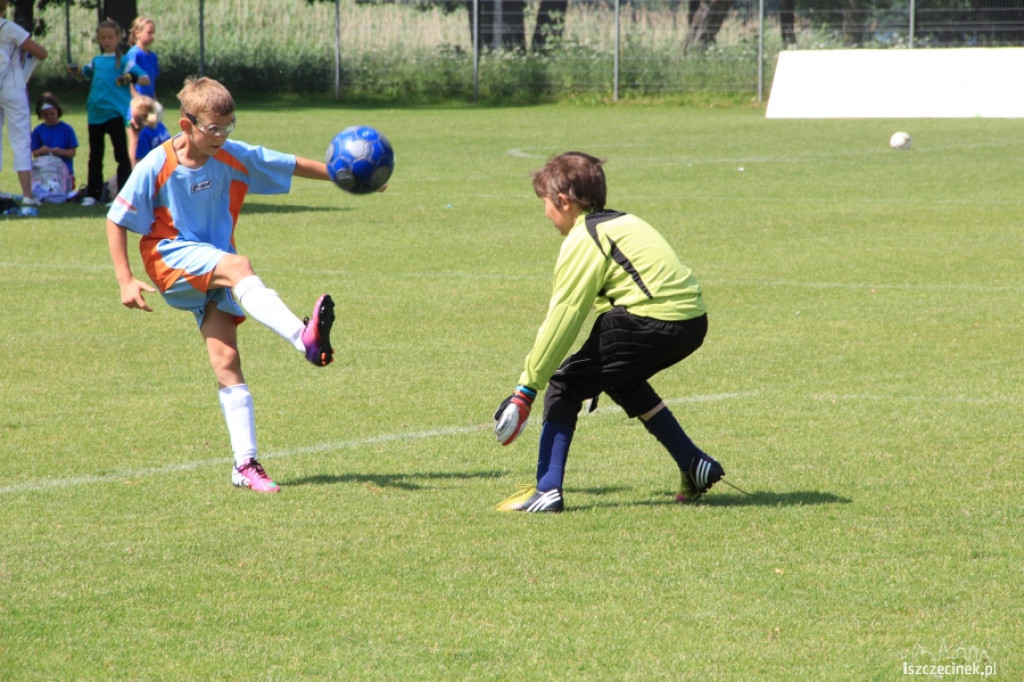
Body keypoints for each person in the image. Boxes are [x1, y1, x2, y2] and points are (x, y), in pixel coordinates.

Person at [105, 76, 339, 493]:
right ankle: (304, 339)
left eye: (229, 127)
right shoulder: (155, 165)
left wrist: (343, 175)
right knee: (238, 264)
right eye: (213, 128)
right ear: (186, 124)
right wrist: (125, 280)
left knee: (227, 361)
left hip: (212, 271)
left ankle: (244, 465)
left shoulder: (232, 155)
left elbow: (290, 164)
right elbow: (116, 218)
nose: (222, 136)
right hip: (169, 259)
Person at [493, 151, 725, 512]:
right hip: (691, 321)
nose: (545, 214)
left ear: (564, 202)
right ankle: (693, 464)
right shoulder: (624, 221)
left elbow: (564, 318)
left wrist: (526, 389)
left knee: (564, 384)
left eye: (545, 204)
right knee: (621, 379)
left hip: (651, 318)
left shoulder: (585, 237)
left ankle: (547, 490)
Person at [68, 19, 149, 207]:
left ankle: (123, 195)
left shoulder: (124, 61)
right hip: (95, 113)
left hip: (115, 113)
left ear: (118, 38)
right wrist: (76, 71)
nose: (106, 41)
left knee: (121, 155)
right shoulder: (96, 61)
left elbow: (144, 79)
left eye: (110, 37)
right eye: (103, 37)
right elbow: (86, 73)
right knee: (95, 156)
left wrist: (128, 78)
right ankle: (93, 194)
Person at [0, 0, 48, 205]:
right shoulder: (9, 27)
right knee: (20, 138)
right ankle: (27, 195)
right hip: (12, 85)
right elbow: (40, 52)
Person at [30, 92, 78, 193]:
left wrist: (60, 152)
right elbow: (34, 153)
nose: (50, 117)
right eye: (46, 115)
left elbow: (72, 152)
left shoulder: (67, 129)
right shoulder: (38, 130)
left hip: (63, 170)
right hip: (45, 169)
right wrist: (42, 150)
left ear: (58, 112)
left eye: (52, 114)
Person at [125, 16, 158, 162]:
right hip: (136, 107)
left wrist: (155, 105)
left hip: (149, 107)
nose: (153, 36)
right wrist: (137, 105)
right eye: (149, 32)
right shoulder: (134, 54)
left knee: (150, 143)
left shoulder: (152, 57)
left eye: (153, 32)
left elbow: (152, 84)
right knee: (136, 144)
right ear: (138, 33)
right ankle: (134, 178)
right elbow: (128, 81)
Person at [129, 95, 170, 165]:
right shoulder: (159, 125)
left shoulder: (143, 134)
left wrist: (133, 137)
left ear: (136, 115)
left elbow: (140, 163)